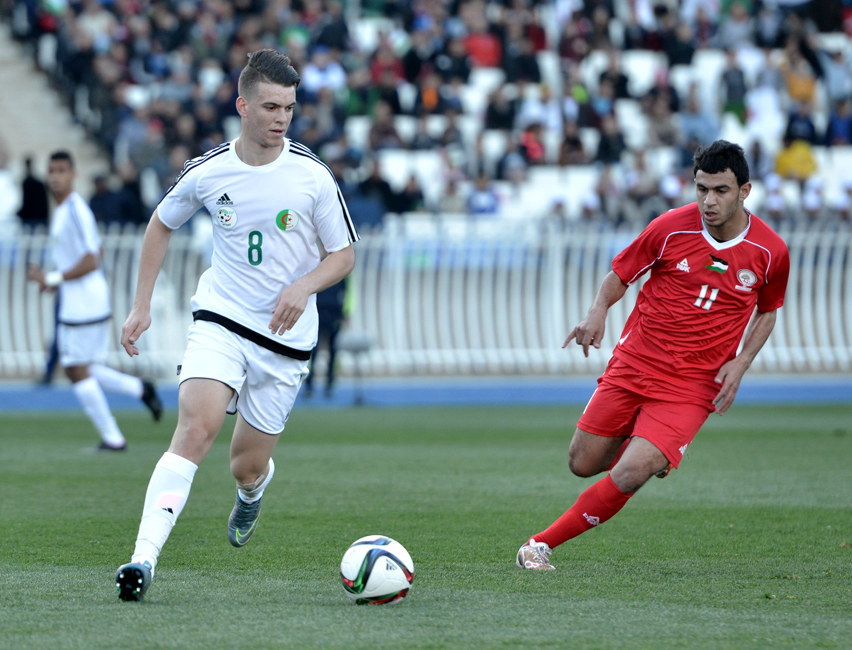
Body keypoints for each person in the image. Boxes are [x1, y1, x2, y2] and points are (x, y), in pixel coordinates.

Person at [114, 50, 359, 601]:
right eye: (271, 106)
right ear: (242, 105)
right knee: (195, 428)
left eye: (290, 108)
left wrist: (304, 286)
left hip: (286, 341)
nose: (281, 119)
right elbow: (160, 224)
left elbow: (342, 255)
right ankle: (142, 560)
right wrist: (140, 305)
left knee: (245, 466)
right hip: (221, 319)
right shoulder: (208, 171)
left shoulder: (312, 176)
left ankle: (253, 492)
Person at [516, 140, 790, 570]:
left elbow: (768, 312)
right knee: (581, 462)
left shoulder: (771, 251)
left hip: (693, 385)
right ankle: (652, 450)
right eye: (701, 189)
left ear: (745, 191)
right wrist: (597, 311)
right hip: (635, 362)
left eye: (720, 190)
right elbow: (621, 273)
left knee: (628, 473)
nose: (708, 200)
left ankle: (539, 545)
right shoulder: (670, 227)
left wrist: (740, 364)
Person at [27, 151, 163, 449]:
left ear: (73, 175)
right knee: (84, 366)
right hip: (81, 298)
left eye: (61, 170)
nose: (55, 176)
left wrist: (53, 279)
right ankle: (140, 388)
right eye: (51, 170)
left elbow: (92, 258)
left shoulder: (75, 209)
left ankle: (113, 438)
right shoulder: (64, 211)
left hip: (84, 301)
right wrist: (54, 281)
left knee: (75, 368)